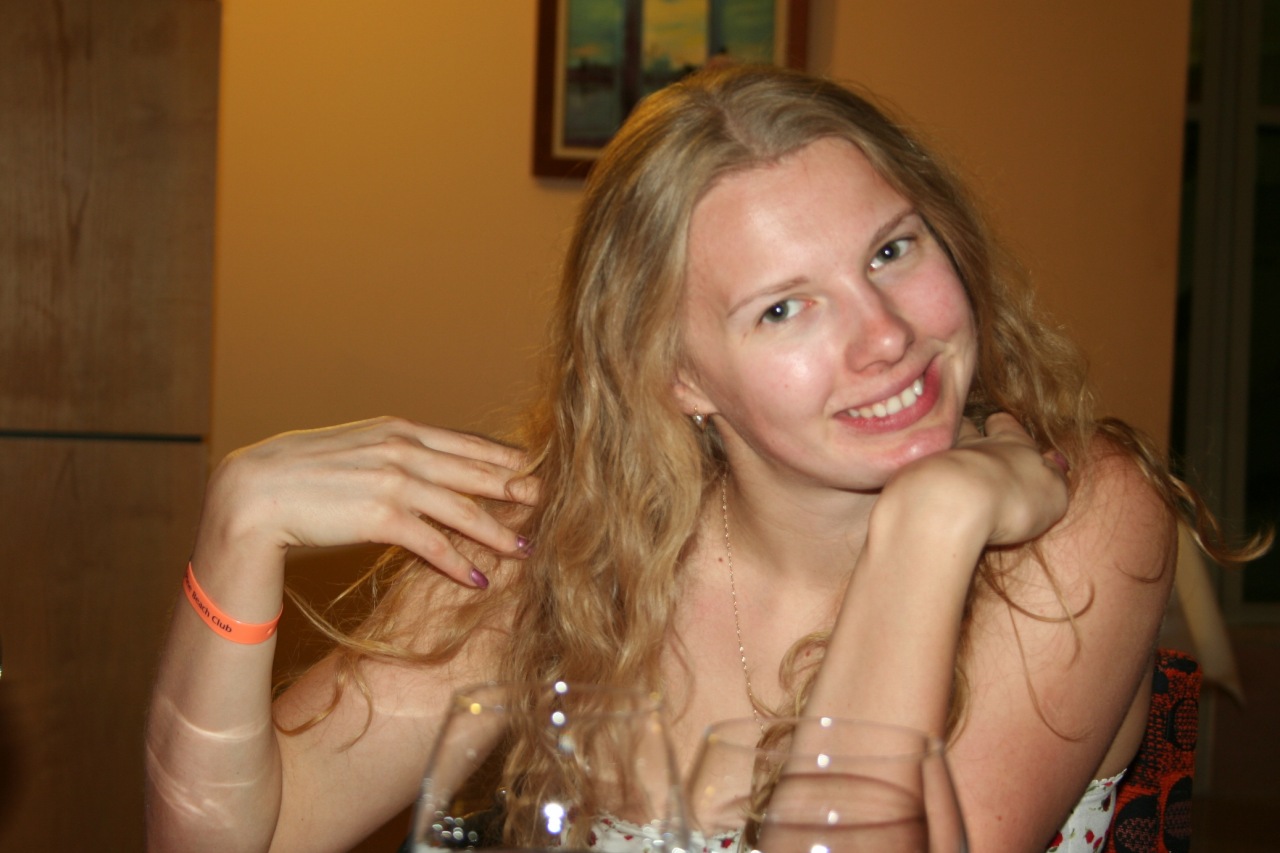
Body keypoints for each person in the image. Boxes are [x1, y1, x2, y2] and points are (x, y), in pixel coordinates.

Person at [144, 64, 1261, 853]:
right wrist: (238, 532)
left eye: (891, 250)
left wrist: (931, 524)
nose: (884, 335)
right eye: (783, 308)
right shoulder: (566, 553)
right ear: (676, 377)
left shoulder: (1079, 516)